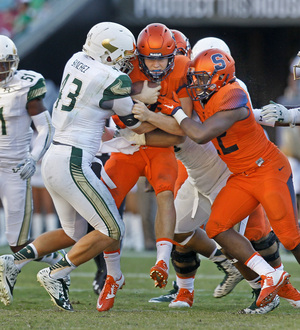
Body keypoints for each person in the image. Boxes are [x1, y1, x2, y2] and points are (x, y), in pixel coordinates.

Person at [132, 36, 294, 313]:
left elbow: (187, 128)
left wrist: (145, 121)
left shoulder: (227, 91)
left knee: (250, 239)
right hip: (197, 173)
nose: (194, 77)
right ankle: (192, 285)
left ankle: (274, 288)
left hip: (230, 170)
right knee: (179, 229)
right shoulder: (188, 80)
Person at [0, 22, 144, 312]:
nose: (126, 62)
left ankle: (12, 262)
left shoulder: (75, 60)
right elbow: (134, 121)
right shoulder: (113, 79)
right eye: (122, 55)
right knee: (112, 229)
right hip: (74, 161)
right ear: (108, 53)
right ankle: (56, 272)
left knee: (73, 233)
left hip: (55, 158)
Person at [97, 23, 191, 312]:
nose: (155, 64)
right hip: (127, 147)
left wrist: (147, 115)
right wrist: (138, 92)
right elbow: (104, 99)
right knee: (106, 203)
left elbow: (184, 127)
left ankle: (162, 258)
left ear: (173, 56)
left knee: (165, 194)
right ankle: (113, 274)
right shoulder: (124, 66)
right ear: (137, 55)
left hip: (157, 145)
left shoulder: (184, 68)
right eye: (149, 58)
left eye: (162, 58)